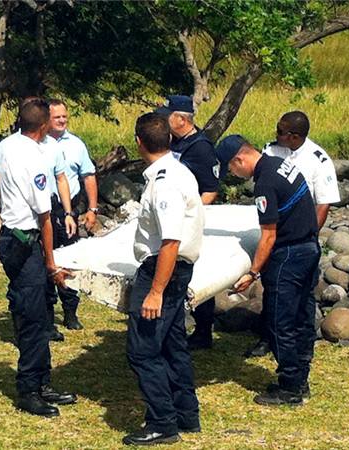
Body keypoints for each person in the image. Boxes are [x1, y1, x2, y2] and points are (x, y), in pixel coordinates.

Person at [216, 135, 320, 406]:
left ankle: (290, 387)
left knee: (279, 322)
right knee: (301, 316)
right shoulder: (279, 164)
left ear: (239, 159)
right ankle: (300, 378)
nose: (233, 175)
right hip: (309, 247)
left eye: (231, 169)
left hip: (289, 255)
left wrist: (252, 272)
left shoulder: (264, 183)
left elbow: (269, 235)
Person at [124, 113, 204, 445]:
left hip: (162, 270)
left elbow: (170, 241)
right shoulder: (179, 171)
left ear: (139, 143)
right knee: (173, 345)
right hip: (173, 269)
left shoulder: (164, 182)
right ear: (170, 139)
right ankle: (186, 413)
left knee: (142, 350)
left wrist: (155, 291)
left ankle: (162, 422)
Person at [0, 99, 77, 416]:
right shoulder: (34, 157)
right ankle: (29, 389)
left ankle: (43, 382)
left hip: (13, 238)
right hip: (25, 242)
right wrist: (51, 262)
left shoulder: (8, 146)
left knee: (41, 314)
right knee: (33, 318)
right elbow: (44, 216)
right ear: (43, 126)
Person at [244, 111, 340, 360]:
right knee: (272, 288)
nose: (275, 134)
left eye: (280, 130)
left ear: (294, 136)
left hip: (300, 236)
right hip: (274, 232)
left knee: (303, 294)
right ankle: (268, 337)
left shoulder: (318, 159)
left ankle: (303, 343)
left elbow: (323, 203)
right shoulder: (271, 151)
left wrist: (307, 235)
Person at [0, 97, 76, 340]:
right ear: (43, 123)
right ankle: (28, 332)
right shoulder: (11, 147)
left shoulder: (50, 146)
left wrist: (68, 213)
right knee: (28, 284)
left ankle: (45, 325)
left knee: (35, 282)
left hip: (42, 215)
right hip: (26, 225)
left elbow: (61, 178)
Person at [155, 95, 219, 351]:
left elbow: (211, 189)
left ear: (181, 119)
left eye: (167, 116)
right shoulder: (174, 142)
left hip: (190, 221)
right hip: (172, 215)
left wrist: (192, 215)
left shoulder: (200, 147)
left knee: (196, 273)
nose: (163, 121)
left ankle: (203, 331)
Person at [41, 98, 100, 331]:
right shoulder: (36, 144)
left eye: (65, 116)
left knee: (69, 260)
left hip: (68, 212)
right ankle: (46, 314)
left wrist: (92, 209)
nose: (62, 120)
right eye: (57, 117)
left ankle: (70, 311)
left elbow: (89, 176)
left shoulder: (76, 144)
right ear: (46, 119)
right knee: (45, 260)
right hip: (44, 211)